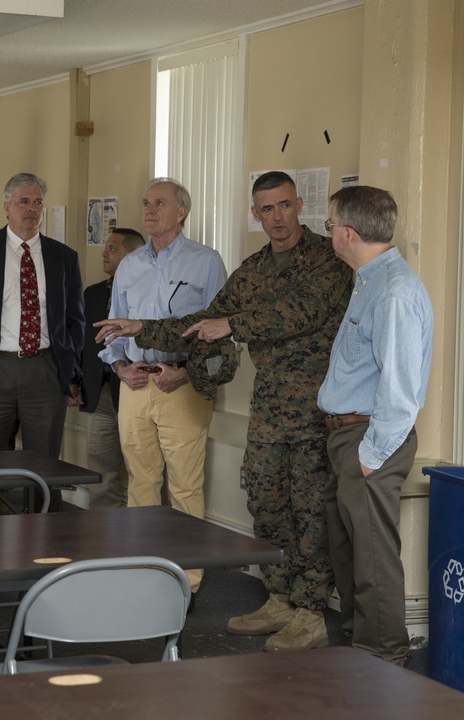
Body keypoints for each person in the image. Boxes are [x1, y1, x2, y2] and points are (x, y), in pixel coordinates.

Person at [95, 172, 352, 649]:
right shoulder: (253, 268)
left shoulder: (326, 261)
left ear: (299, 205)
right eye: (266, 209)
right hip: (270, 408)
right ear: (255, 214)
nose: (276, 217)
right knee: (266, 504)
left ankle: (311, 611)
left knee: (311, 512)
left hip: (316, 409)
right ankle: (279, 598)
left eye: (283, 206)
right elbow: (204, 320)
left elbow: (294, 315)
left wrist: (229, 323)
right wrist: (143, 327)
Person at [317, 185, 432, 665]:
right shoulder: (369, 280)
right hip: (348, 436)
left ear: (346, 233)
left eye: (328, 225)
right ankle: (358, 650)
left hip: (369, 439)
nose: (327, 234)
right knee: (349, 554)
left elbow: (400, 389)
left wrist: (369, 455)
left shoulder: (394, 292)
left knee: (372, 560)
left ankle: (383, 659)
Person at [98, 177, 225, 592]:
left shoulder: (205, 262)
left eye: (159, 203)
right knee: (141, 483)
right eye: (146, 202)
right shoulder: (130, 265)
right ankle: (144, 573)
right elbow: (114, 327)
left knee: (186, 487)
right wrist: (119, 367)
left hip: (180, 387)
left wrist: (187, 371)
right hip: (134, 387)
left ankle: (188, 580)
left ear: (181, 212)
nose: (149, 209)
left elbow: (220, 334)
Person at [0, 172, 83, 508]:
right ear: (7, 207)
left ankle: (43, 547)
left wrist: (67, 367)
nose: (32, 209)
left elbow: (74, 320)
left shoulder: (63, 257)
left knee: (44, 470)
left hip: (44, 371)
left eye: (38, 202)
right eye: (24, 201)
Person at [72, 228, 145, 508]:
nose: (104, 253)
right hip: (100, 392)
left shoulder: (147, 293)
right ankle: (103, 532)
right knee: (102, 468)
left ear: (133, 255)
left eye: (113, 249)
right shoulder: (92, 294)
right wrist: (74, 380)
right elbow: (82, 343)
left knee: (142, 467)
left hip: (135, 388)